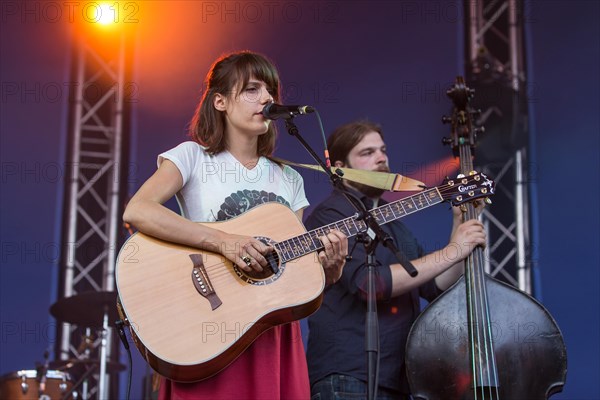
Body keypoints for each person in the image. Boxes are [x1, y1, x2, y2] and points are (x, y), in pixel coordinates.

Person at [123, 50, 347, 399]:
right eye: (252, 89)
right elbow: (138, 211)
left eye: (270, 90)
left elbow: (292, 269)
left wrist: (329, 272)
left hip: (269, 329)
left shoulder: (289, 178)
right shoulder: (191, 157)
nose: (268, 99)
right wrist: (225, 242)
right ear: (221, 102)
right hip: (207, 323)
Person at [304, 121, 487, 399]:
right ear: (340, 167)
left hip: (398, 379)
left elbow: (435, 285)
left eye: (383, 150)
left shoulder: (389, 218)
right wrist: (454, 250)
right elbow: (370, 284)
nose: (381, 158)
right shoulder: (331, 213)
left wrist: (460, 223)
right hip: (347, 376)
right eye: (367, 153)